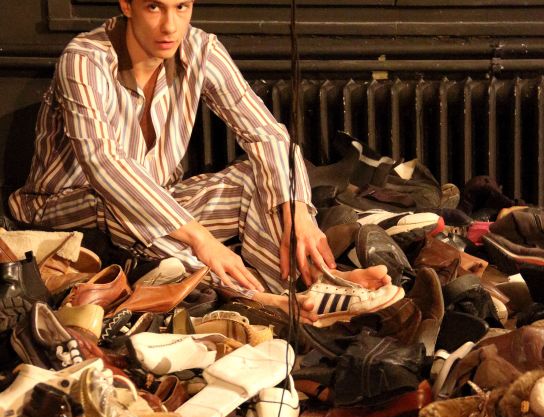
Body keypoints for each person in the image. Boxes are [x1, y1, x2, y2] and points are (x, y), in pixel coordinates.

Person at [9, 0, 389, 319]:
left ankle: (311, 282)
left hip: (158, 200)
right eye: (154, 7)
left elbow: (265, 133)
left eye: (182, 7)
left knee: (257, 176)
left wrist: (298, 211)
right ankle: (263, 301)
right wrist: (201, 239)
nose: (170, 25)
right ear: (127, 5)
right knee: (120, 203)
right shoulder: (85, 59)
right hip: (59, 208)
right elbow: (105, 165)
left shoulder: (199, 48)